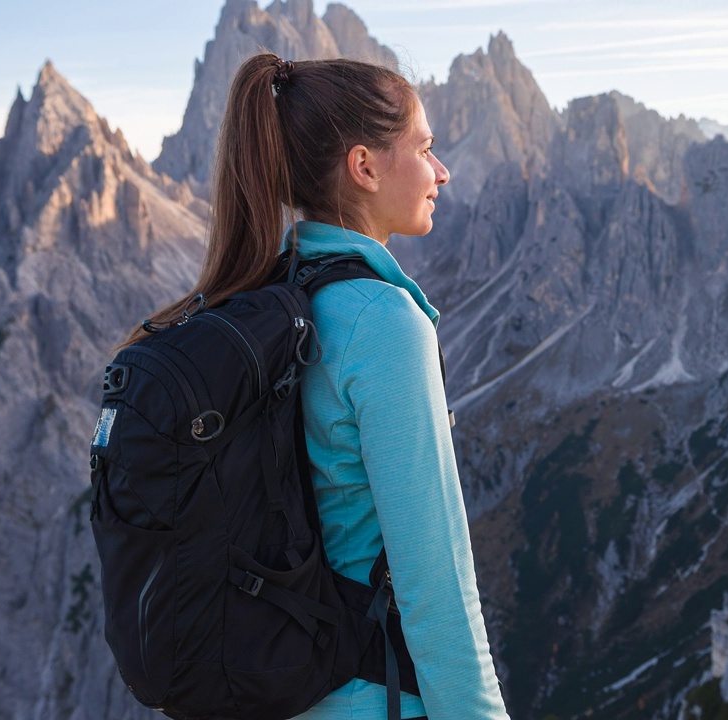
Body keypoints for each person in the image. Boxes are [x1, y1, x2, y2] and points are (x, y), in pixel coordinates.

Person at [123, 53, 509, 720]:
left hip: (275, 694)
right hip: (368, 695)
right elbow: (436, 585)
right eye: (424, 148)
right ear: (364, 167)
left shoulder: (262, 296)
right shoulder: (384, 323)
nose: (441, 171)